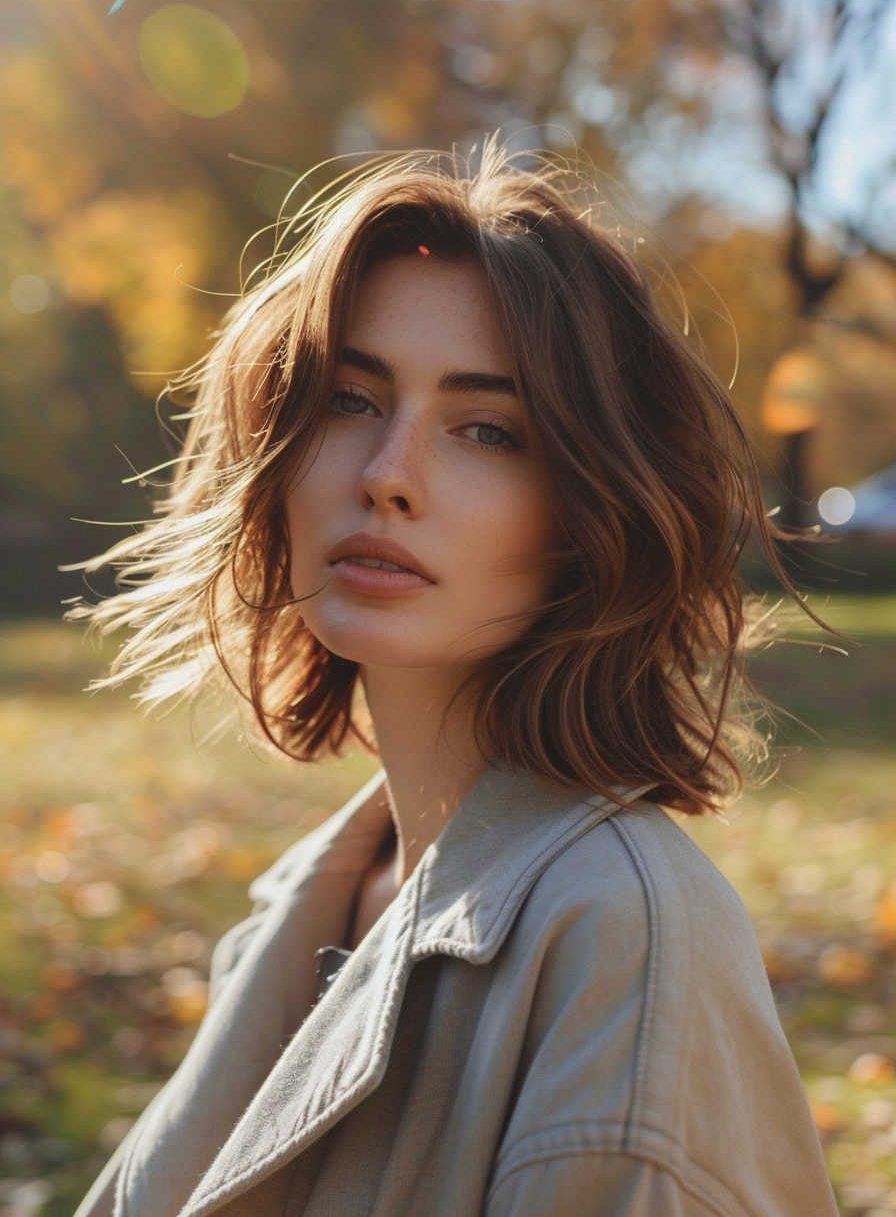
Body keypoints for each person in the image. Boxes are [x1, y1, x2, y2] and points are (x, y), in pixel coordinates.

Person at [71, 144, 837, 1217]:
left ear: (588, 513)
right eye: (348, 401)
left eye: (485, 429)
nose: (386, 476)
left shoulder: (626, 944)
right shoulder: (313, 898)